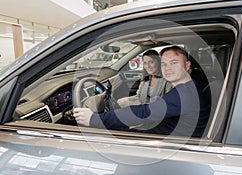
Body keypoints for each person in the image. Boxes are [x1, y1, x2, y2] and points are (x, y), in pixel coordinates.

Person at [74, 45, 210, 137]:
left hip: (170, 145)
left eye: (174, 62)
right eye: (164, 63)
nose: (167, 68)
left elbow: (145, 112)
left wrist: (94, 119)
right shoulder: (190, 85)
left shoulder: (185, 94)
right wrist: (144, 124)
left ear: (187, 65)